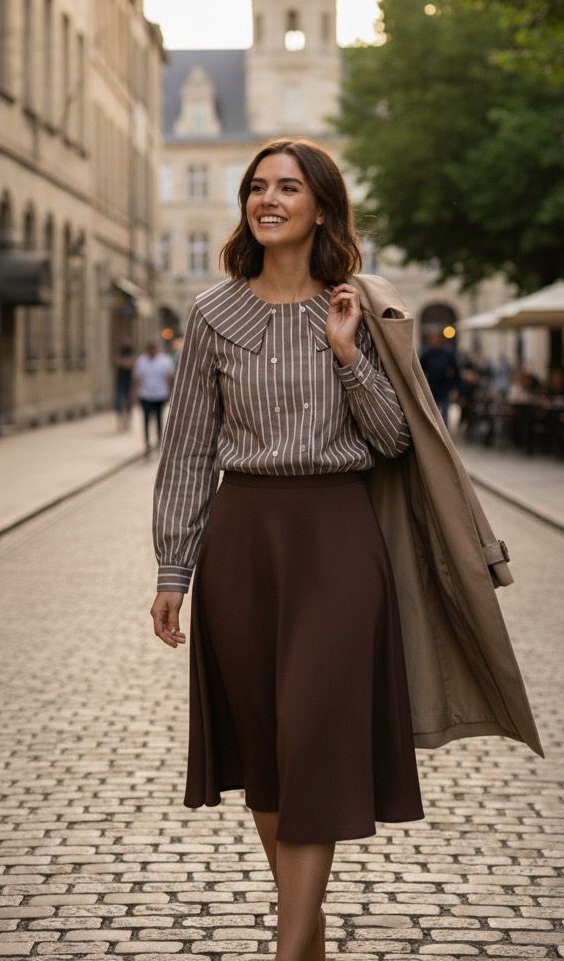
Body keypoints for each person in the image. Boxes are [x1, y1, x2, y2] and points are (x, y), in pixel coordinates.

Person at [149, 138, 424, 960]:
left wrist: (348, 356)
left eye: (289, 187)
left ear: (322, 207)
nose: (268, 199)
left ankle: (287, 947)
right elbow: (188, 449)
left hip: (337, 542)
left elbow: (395, 440)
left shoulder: (357, 309)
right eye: (257, 186)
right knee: (267, 747)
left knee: (313, 737)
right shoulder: (211, 315)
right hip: (243, 544)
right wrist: (173, 568)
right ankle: (309, 940)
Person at [132, 341, 174, 454]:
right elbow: (137, 379)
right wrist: (134, 394)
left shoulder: (164, 361)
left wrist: (170, 393)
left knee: (159, 419)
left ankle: (159, 441)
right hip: (145, 395)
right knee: (146, 420)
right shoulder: (141, 361)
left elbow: (169, 378)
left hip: (160, 395)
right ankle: (147, 443)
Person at [418, 327, 461, 425]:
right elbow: (420, 369)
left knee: (444, 411)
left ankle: (444, 429)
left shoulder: (448, 352)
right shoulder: (426, 353)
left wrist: (455, 385)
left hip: (444, 386)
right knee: (432, 411)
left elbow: (455, 369)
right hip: (431, 386)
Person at [112, 342, 135, 432]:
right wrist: (125, 362)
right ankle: (120, 422)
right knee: (119, 402)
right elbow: (116, 361)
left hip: (129, 381)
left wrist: (124, 362)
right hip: (120, 381)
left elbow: (131, 363)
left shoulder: (131, 352)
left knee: (129, 402)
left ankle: (127, 422)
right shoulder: (120, 352)